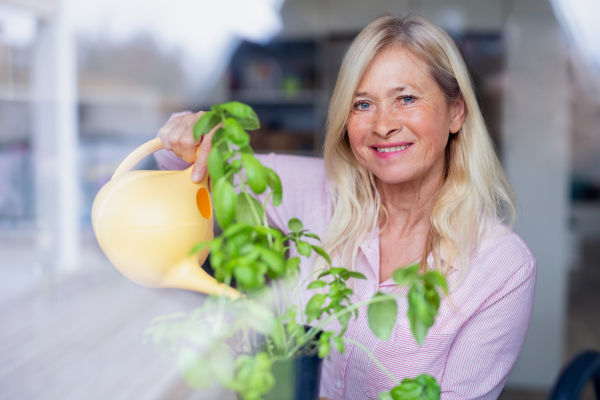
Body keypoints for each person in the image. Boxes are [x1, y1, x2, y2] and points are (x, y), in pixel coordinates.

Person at [154, 13, 536, 400]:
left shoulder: (502, 268)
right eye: (363, 104)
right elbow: (191, 174)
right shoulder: (320, 194)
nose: (382, 125)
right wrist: (187, 131)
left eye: (405, 98)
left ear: (456, 112)